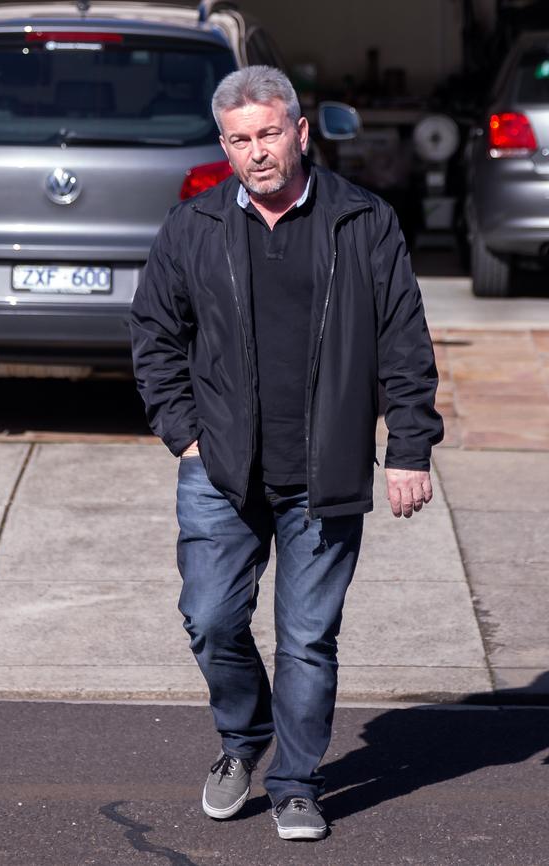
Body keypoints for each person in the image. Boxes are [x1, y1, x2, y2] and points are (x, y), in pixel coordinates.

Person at [130, 65, 443, 841]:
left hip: (324, 472)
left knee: (306, 637)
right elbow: (154, 335)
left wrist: (410, 447)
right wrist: (185, 431)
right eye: (239, 140)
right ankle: (244, 740)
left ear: (301, 132)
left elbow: (403, 343)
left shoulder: (363, 221)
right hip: (221, 470)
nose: (256, 152)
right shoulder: (194, 226)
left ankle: (297, 782)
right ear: (225, 148)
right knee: (208, 619)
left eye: (269, 133)